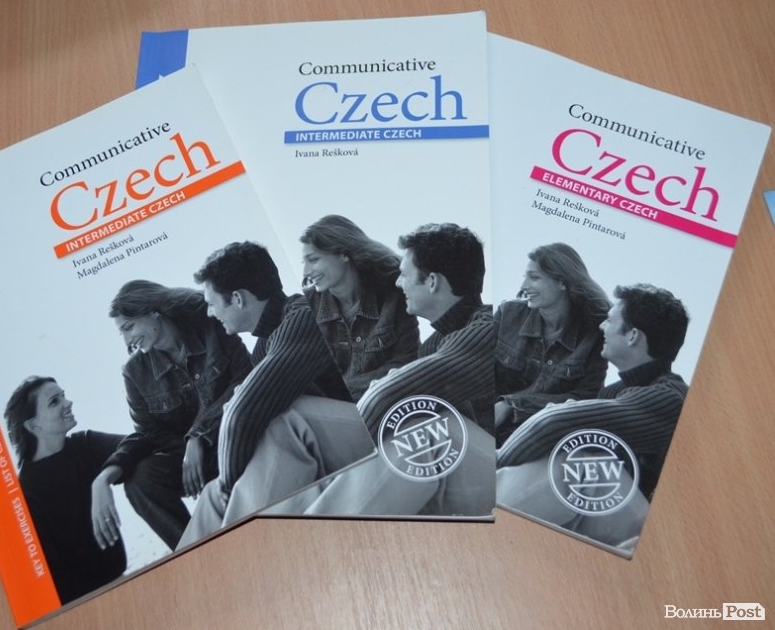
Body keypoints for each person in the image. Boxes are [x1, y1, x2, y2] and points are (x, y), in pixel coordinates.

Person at [276, 222, 497, 517]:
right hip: (458, 474)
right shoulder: (434, 345)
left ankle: (319, 532)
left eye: (404, 275)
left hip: (495, 472)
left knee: (424, 433)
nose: (398, 283)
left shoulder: (487, 327)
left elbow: (391, 393)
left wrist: (343, 453)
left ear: (432, 281)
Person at [177, 241, 370, 548]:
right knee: (212, 493)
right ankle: (191, 567)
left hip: (374, 433)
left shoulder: (302, 316)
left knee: (284, 420)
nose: (211, 314)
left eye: (212, 304)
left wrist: (230, 486)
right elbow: (237, 401)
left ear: (237, 298)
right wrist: (199, 441)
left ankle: (246, 550)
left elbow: (244, 409)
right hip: (331, 444)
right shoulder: (266, 345)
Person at [496, 284, 690, 548]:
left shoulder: (670, 397)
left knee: (585, 465)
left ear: (632, 336)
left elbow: (557, 422)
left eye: (610, 321)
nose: (602, 327)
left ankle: (486, 512)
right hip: (610, 513)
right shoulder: (613, 393)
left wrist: (496, 463)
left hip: (654, 533)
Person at [94, 280, 252, 550]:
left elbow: (244, 377)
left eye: (129, 327)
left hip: (240, 436)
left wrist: (198, 436)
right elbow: (149, 434)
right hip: (197, 462)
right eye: (122, 332)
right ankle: (196, 551)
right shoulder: (134, 372)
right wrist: (105, 476)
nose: (127, 340)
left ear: (153, 312)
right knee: (140, 480)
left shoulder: (210, 326)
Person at [4, 376, 127, 604]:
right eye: (55, 401)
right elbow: (51, 578)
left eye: (63, 396)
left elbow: (138, 441)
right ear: (33, 426)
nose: (68, 403)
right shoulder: (25, 493)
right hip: (83, 605)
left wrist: (103, 480)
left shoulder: (83, 444)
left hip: (122, 581)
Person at [494, 242, 610, 446]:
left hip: (542, 440)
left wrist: (511, 405)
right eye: (525, 276)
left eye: (534, 277)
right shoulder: (507, 314)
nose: (523, 286)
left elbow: (585, 399)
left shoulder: (593, 334)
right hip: (488, 427)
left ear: (562, 282)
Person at [300, 214, 420, 400]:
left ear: (343, 254)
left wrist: (349, 390)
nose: (306, 272)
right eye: (304, 262)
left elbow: (406, 363)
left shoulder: (393, 293)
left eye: (313, 260)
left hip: (385, 400)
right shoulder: (306, 306)